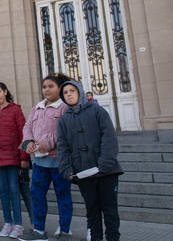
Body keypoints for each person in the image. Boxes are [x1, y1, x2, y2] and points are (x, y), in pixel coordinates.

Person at [58, 81, 122, 241]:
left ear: (79, 92)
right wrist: (67, 170)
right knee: (92, 211)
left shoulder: (97, 111)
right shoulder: (64, 120)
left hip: (107, 172)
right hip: (84, 173)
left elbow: (109, 138)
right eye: (65, 93)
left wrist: (104, 164)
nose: (69, 94)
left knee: (110, 210)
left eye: (72, 91)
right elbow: (63, 147)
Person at [19, 73, 73, 241]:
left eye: (51, 86)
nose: (47, 90)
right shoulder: (38, 107)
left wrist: (44, 144)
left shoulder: (64, 107)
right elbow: (27, 126)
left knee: (62, 195)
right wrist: (27, 142)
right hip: (39, 161)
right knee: (37, 195)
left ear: (59, 88)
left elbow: (62, 132)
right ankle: (39, 230)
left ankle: (64, 230)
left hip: (58, 161)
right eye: (44, 87)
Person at [0, 81, 28, 239]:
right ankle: (7, 222)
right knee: (2, 191)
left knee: (14, 190)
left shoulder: (16, 109)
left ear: (5, 92)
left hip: (13, 156)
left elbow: (23, 134)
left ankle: (19, 224)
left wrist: (24, 157)